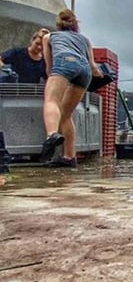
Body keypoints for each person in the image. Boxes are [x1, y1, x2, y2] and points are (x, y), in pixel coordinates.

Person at [39, 10, 103, 168]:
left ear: (58, 24)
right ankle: (69, 157)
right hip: (84, 72)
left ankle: (52, 134)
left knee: (51, 100)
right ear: (75, 25)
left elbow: (49, 65)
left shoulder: (49, 37)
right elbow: (94, 68)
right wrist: (101, 74)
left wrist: (52, 77)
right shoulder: (85, 40)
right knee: (66, 114)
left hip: (64, 62)